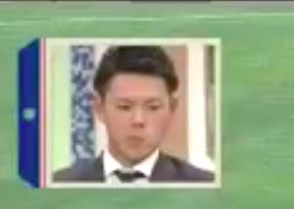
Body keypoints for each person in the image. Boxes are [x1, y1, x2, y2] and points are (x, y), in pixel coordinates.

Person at [52, 45, 215, 185]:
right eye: (124, 107)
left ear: (172, 109)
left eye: (153, 107)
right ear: (99, 109)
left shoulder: (206, 184)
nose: (138, 120)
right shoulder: (60, 183)